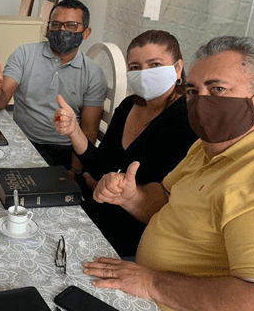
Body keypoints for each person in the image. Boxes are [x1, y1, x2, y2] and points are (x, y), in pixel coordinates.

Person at [86, 36, 254, 311]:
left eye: (218, 89)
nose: (200, 102)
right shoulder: (212, 146)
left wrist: (152, 283)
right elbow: (165, 200)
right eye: (194, 91)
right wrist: (131, 197)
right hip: (156, 306)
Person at [54, 30, 197, 257]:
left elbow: (168, 203)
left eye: (155, 64)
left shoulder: (186, 120)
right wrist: (74, 130)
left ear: (178, 68)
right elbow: (100, 165)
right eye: (135, 67)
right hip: (97, 210)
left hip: (132, 234)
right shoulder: (129, 105)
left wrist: (101, 183)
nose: (144, 74)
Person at [0, 0, 107, 171]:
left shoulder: (93, 74)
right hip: (21, 142)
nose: (62, 30)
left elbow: (89, 131)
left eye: (71, 25)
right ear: (47, 29)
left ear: (86, 32)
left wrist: (74, 172)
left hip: (65, 150)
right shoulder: (24, 54)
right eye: (55, 24)